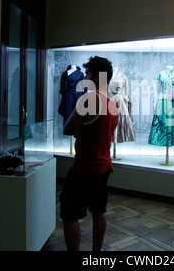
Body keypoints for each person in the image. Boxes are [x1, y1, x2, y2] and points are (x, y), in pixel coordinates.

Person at [60, 56, 119, 251]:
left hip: (84, 167)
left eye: (87, 73)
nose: (85, 77)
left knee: (69, 214)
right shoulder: (113, 103)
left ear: (95, 77)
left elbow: (67, 128)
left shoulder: (89, 99)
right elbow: (106, 133)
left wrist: (80, 130)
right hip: (104, 166)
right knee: (98, 210)